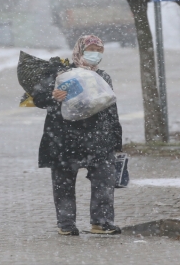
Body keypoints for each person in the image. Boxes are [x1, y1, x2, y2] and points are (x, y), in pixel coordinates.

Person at [32, 35, 123, 236]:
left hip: (99, 139)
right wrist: (52, 95)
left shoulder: (103, 77)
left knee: (104, 181)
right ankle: (66, 224)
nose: (95, 55)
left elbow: (111, 109)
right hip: (66, 138)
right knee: (64, 183)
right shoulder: (61, 74)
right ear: (79, 50)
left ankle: (101, 222)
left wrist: (116, 138)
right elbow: (38, 97)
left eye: (99, 51)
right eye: (91, 49)